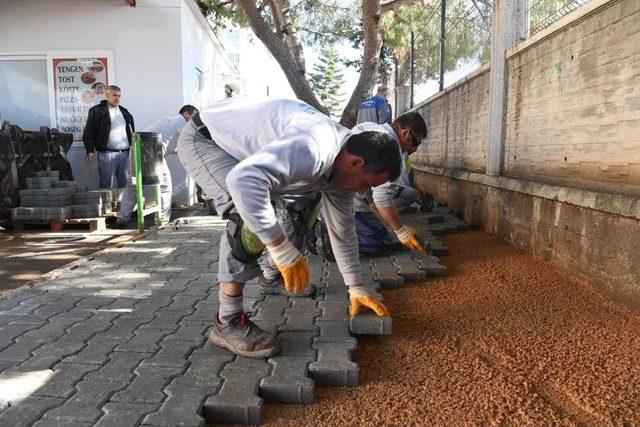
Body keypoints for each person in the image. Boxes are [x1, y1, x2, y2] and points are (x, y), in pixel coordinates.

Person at [177, 97, 401, 358]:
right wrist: (280, 247)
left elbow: (343, 231)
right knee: (248, 218)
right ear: (356, 163)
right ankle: (228, 320)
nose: (364, 192)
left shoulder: (340, 169)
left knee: (299, 211)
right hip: (206, 140)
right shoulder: (313, 148)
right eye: (368, 184)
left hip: (245, 149)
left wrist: (356, 288)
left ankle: (270, 276)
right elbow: (244, 180)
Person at [353, 112, 428, 254]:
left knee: (385, 238)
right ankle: (331, 236)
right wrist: (401, 231)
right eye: (415, 143)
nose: (414, 149)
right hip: (345, 201)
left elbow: (368, 183)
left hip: (339, 191)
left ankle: (338, 227)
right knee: (376, 245)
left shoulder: (368, 127)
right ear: (405, 132)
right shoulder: (391, 150)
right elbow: (381, 197)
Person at [114, 105, 198, 228]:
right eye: (194, 116)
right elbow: (190, 140)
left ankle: (122, 218)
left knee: (133, 184)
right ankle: (162, 221)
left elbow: (175, 144)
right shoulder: (182, 121)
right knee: (164, 185)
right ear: (186, 114)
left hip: (138, 146)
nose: (195, 120)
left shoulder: (168, 121)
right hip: (151, 148)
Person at [82, 85, 135, 188]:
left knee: (126, 185)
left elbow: (132, 132)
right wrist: (90, 150)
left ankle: (123, 204)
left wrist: (133, 151)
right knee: (106, 184)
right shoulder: (97, 111)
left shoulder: (125, 112)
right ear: (107, 95)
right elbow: (89, 132)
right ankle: (107, 204)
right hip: (107, 153)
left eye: (119, 96)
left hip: (125, 154)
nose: (117, 98)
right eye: (114, 95)